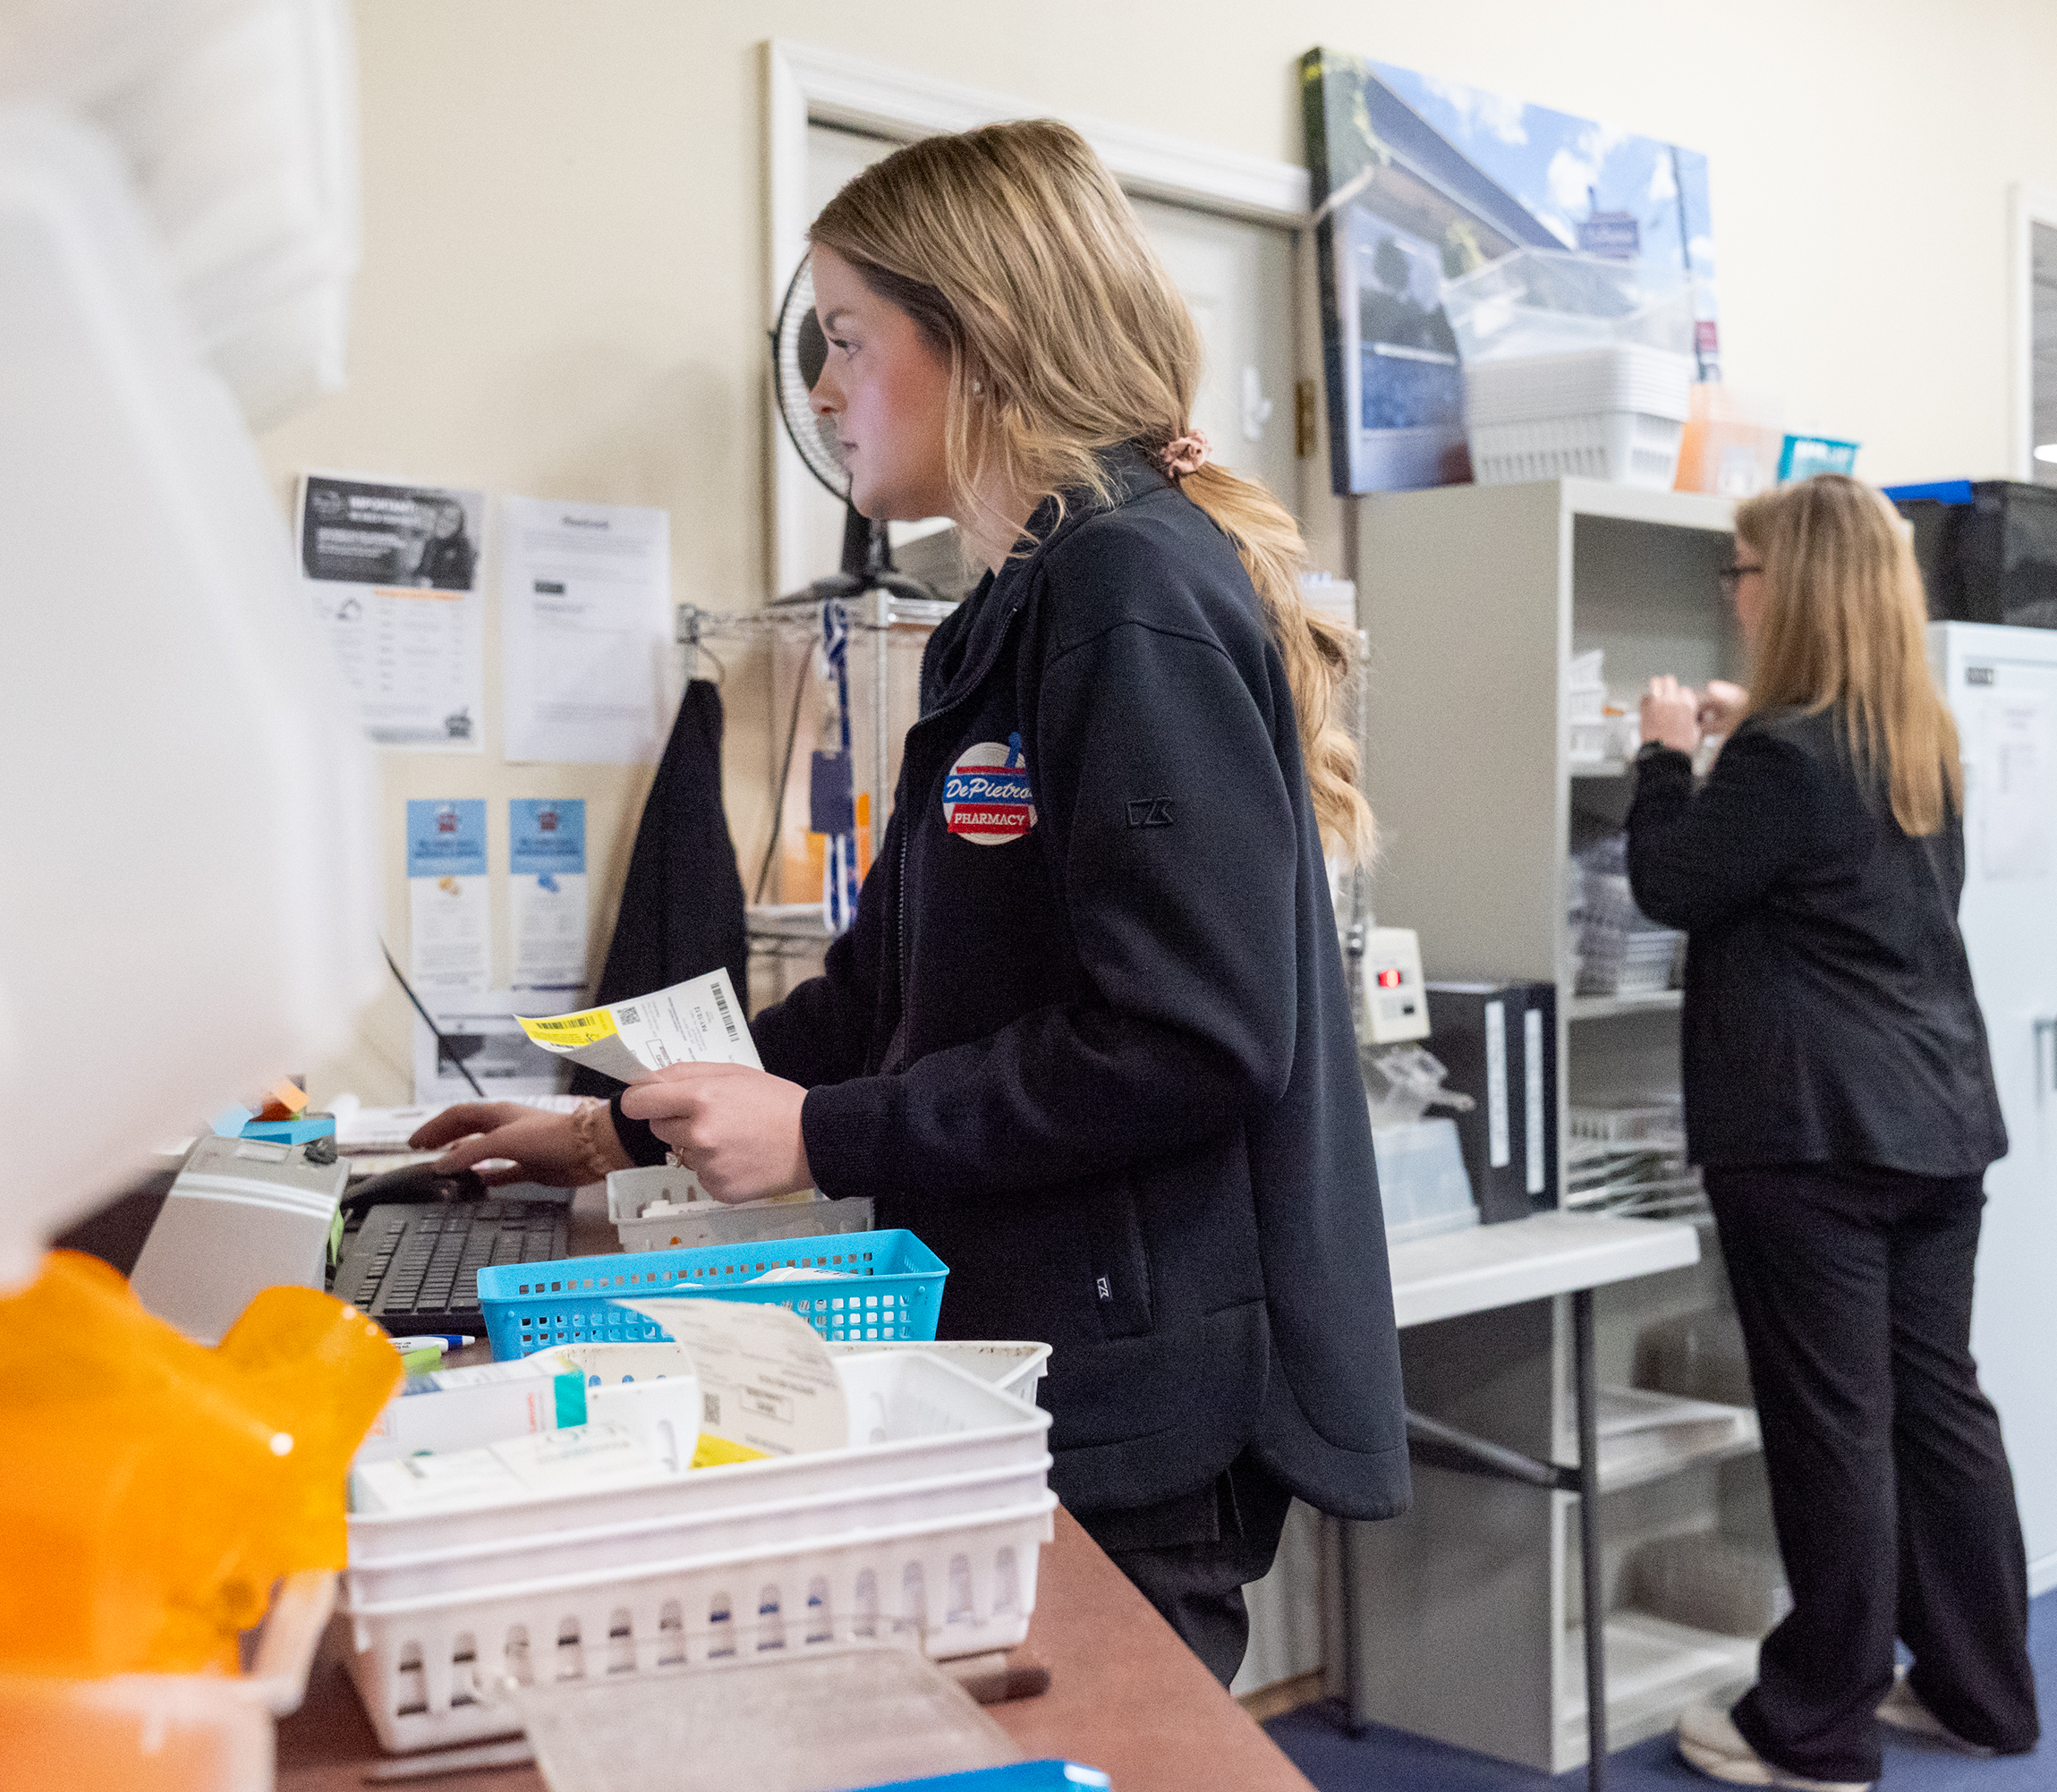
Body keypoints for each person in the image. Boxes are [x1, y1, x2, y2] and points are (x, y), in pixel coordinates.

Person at [409, 119, 1410, 1683]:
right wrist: (615, 1124)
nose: (820, 389)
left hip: (1141, 1377)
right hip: (1047, 1342)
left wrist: (824, 1135)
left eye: (849, 341)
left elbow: (1190, 1039)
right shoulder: (1008, 611)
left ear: (977, 343)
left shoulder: (1129, 594)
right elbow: (883, 992)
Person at [1626, 475, 2037, 1790]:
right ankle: (1980, 1689)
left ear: (1787, 587)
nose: (1732, 595)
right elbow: (1828, 860)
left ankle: (1813, 1724)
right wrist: (1743, 740)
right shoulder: (1916, 742)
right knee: (1938, 1412)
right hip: (1938, 1125)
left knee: (1835, 1429)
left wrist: (1658, 751)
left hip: (1812, 1138)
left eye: (1740, 572)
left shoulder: (1780, 758)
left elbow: (1671, 883)